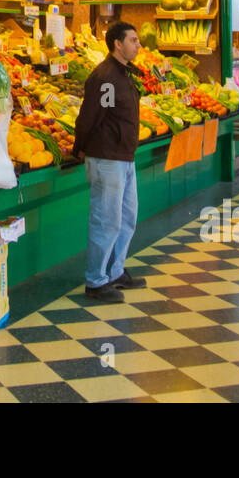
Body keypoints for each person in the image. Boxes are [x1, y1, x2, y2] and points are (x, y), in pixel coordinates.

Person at [72, 21, 143, 303]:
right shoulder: (106, 78)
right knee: (106, 220)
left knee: (127, 218)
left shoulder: (122, 74)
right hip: (107, 158)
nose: (138, 45)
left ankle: (115, 272)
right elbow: (91, 116)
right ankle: (96, 280)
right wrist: (80, 147)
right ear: (118, 43)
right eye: (133, 40)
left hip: (124, 157)